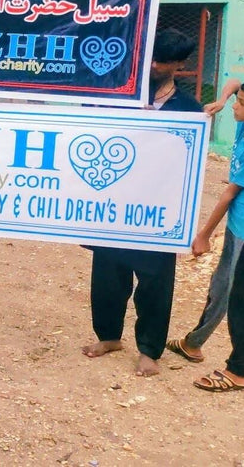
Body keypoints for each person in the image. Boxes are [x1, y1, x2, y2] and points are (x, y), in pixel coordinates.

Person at [80, 28, 204, 376]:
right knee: (107, 275)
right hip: (114, 205)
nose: (152, 65)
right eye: (149, 57)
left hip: (157, 210)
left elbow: (188, 164)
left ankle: (149, 350)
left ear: (178, 65)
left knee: (154, 283)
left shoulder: (188, 110)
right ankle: (108, 336)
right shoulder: (119, 97)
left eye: (161, 61)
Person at [165, 76, 244, 392]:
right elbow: (233, 80)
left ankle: (238, 371)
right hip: (241, 225)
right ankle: (194, 343)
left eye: (241, 103)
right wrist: (222, 99)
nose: (235, 104)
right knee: (221, 284)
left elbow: (229, 194)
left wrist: (203, 234)